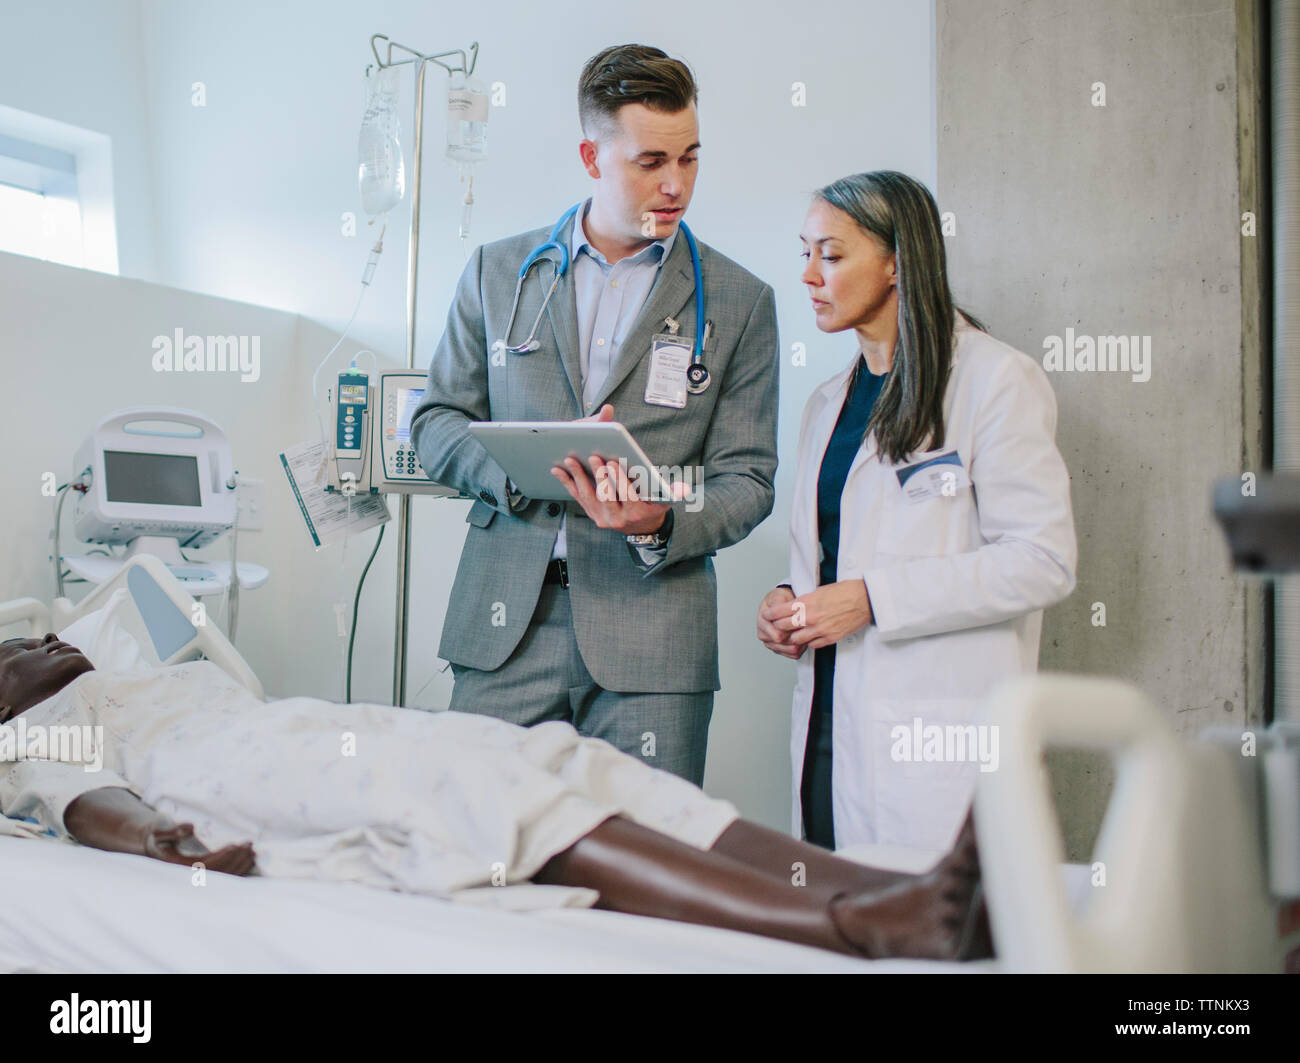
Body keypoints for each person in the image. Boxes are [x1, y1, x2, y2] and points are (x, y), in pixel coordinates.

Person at [0, 633, 991, 961]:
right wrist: (164, 841)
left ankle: (876, 877)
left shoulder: (135, 662)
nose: (43, 645)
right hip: (227, 770)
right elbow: (88, 804)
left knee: (562, 754)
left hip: (301, 720)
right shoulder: (32, 735)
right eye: (19, 651)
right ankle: (852, 923)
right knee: (463, 789)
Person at [409, 44, 780, 786]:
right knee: (473, 848)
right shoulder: (497, 271)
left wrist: (660, 517)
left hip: (653, 645)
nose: (676, 184)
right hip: (505, 628)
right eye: (650, 161)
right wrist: (520, 475)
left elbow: (749, 478)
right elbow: (436, 419)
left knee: (643, 871)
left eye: (690, 158)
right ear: (591, 155)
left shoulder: (741, 303)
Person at [756, 172, 1077, 852]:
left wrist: (874, 599)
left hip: (937, 735)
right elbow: (834, 561)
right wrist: (791, 602)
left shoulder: (994, 381)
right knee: (836, 928)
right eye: (805, 252)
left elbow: (1043, 561)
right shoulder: (825, 404)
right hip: (828, 725)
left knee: (930, 944)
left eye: (832, 254)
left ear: (897, 260)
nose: (809, 275)